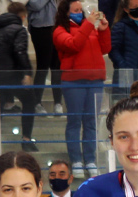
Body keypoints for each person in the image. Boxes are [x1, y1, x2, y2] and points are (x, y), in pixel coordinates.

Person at [53, 0, 109, 178]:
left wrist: (104, 29)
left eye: (80, 9)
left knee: (91, 123)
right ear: (66, 13)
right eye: (75, 10)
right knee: (75, 122)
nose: (79, 12)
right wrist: (88, 25)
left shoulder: (89, 27)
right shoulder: (59, 31)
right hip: (73, 82)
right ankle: (76, 161)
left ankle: (90, 160)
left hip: (95, 81)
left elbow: (106, 48)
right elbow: (74, 44)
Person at [0, 3, 38, 150]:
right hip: (12, 75)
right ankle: (26, 139)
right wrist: (27, 73)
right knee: (29, 100)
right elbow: (20, 51)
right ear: (22, 16)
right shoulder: (19, 30)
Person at [26, 0, 61, 112]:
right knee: (43, 66)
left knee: (56, 66)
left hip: (55, 25)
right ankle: (37, 102)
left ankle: (58, 102)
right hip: (40, 28)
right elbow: (36, 5)